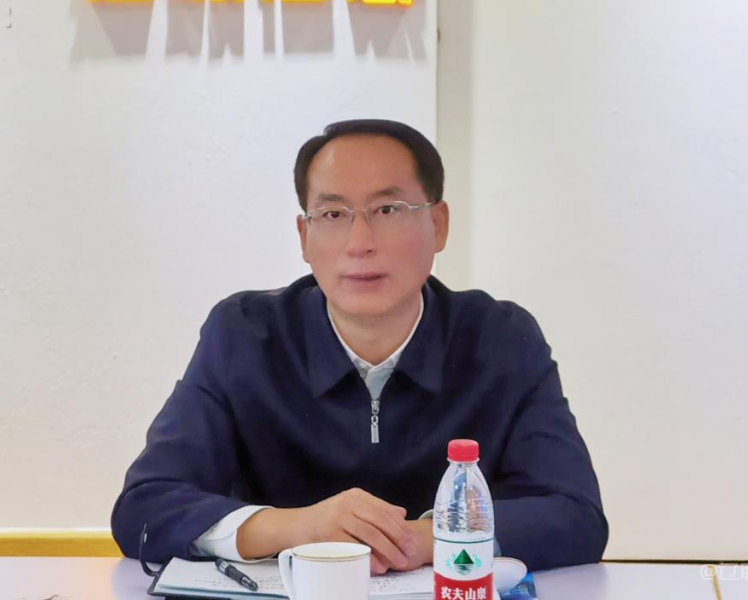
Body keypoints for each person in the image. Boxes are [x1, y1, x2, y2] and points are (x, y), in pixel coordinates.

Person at [111, 119, 608, 573]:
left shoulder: (500, 340)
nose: (359, 242)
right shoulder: (244, 335)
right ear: (304, 236)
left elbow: (576, 516)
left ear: (438, 224)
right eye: (332, 213)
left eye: (388, 210)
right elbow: (144, 509)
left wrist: (419, 540)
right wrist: (302, 528)